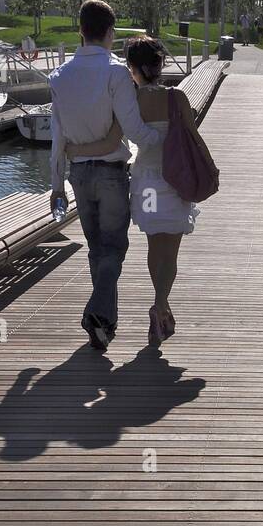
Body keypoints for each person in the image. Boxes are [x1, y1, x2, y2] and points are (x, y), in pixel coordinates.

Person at [68, 37, 218, 348]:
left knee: (154, 245)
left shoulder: (130, 102)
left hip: (146, 183)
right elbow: (192, 137)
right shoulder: (177, 98)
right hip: (176, 181)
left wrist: (74, 149)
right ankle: (160, 304)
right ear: (161, 65)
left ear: (132, 69)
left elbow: (111, 143)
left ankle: (160, 306)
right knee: (171, 251)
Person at [49, 0, 168, 352]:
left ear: (80, 30)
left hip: (78, 176)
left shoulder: (59, 77)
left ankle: (103, 328)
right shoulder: (116, 73)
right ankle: (96, 313)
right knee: (115, 248)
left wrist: (56, 186)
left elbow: (57, 137)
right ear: (111, 33)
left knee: (97, 250)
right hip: (112, 173)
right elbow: (133, 129)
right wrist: (163, 138)